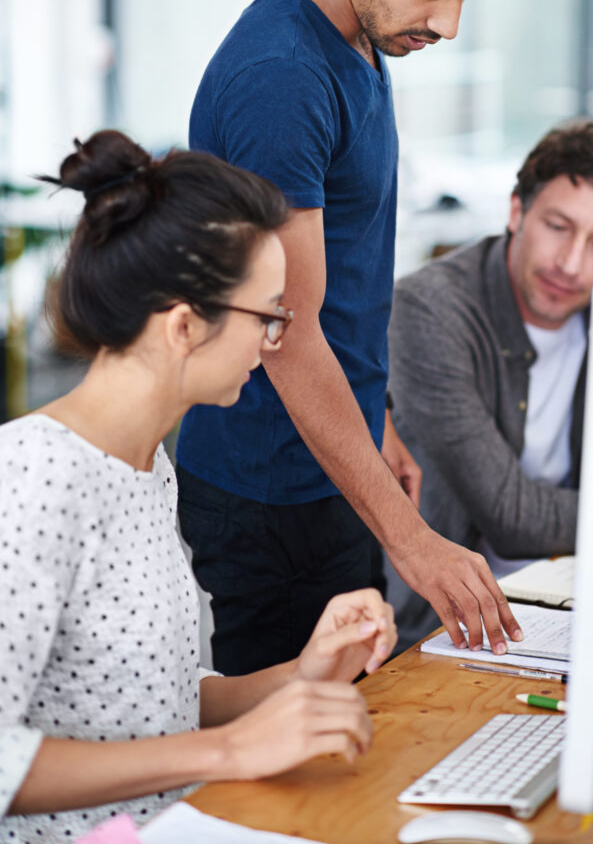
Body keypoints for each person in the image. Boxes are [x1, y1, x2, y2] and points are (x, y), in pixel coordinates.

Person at [175, 0, 521, 677]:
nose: (447, 23)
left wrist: (383, 419)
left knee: (359, 735)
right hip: (268, 495)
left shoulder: (363, 32)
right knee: (291, 778)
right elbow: (287, 330)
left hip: (335, 463)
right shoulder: (282, 78)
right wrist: (414, 543)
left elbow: (348, 272)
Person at [0, 131, 396, 842]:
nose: (273, 342)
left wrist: (302, 675)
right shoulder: (32, 480)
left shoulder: (150, 469)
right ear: (185, 325)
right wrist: (228, 752)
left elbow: (160, 701)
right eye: (268, 316)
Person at [386, 121, 593, 650]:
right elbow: (512, 517)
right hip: (451, 628)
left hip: (577, 599)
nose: (571, 263)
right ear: (517, 211)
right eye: (558, 226)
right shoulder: (431, 310)